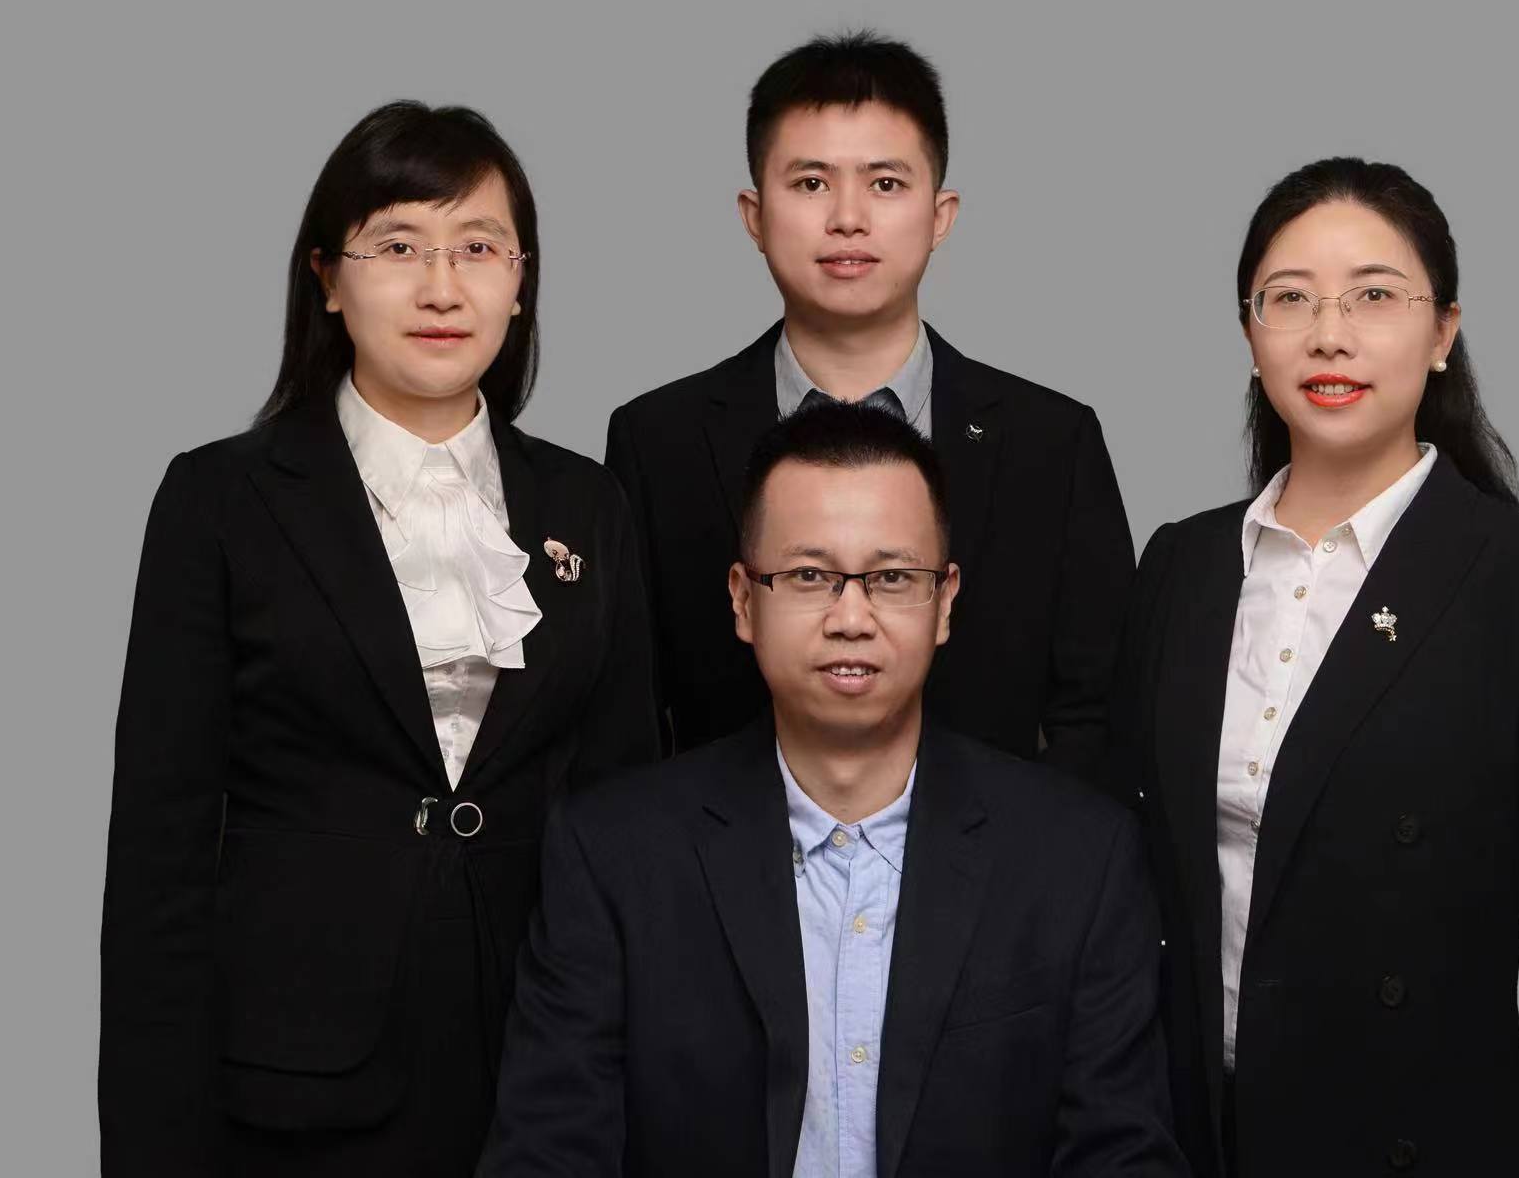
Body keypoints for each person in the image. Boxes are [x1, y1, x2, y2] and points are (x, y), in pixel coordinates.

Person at [98, 101, 660, 1176]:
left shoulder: (588, 505)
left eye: (479, 248)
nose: (442, 287)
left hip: (543, 1063)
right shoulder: (220, 498)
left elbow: (627, 810)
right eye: (398, 246)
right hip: (289, 1080)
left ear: (521, 281)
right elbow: (160, 855)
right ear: (326, 277)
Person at [1111, 158, 1519, 1177]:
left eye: (1373, 296)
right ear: (1249, 334)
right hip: (1187, 1143)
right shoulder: (1181, 565)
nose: (1328, 334)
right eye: (1289, 298)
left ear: (1442, 333)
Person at [482, 403, 1185, 1176]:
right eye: (810, 576)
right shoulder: (613, 855)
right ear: (743, 599)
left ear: (945, 601)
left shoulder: (1076, 858)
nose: (851, 617)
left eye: (892, 578)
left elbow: (1121, 1154)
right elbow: (548, 1153)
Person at [605, 29, 1135, 785]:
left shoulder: (1052, 443)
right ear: (754, 215)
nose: (847, 218)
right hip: (720, 854)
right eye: (810, 183)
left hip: (1004, 854)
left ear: (940, 214)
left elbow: (1097, 717)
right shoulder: (658, 441)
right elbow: (631, 717)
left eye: (885, 183)